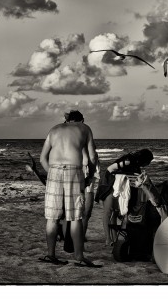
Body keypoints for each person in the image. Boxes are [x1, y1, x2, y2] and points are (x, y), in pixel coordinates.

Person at [38, 110, 100, 267]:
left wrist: (52, 173)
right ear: (82, 120)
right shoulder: (84, 128)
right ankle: (79, 257)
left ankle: (50, 254)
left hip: (54, 170)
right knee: (75, 216)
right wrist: (90, 176)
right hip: (74, 171)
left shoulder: (54, 129)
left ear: (66, 120)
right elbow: (92, 157)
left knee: (52, 217)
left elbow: (42, 158)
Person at [95, 149, 154, 246]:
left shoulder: (136, 165)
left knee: (115, 213)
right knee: (108, 212)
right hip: (109, 185)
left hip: (120, 187)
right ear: (144, 159)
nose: (148, 164)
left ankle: (114, 238)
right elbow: (109, 169)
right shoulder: (128, 160)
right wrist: (124, 171)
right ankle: (108, 239)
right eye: (148, 162)